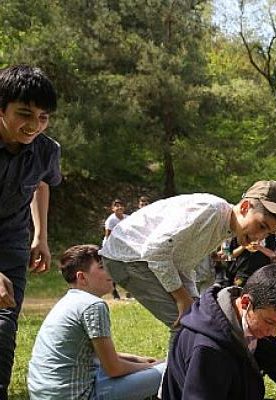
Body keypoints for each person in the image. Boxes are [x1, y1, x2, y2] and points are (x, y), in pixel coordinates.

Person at [99, 180, 276, 344]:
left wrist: (193, 300)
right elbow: (154, 251)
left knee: (195, 318)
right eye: (261, 225)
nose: (260, 237)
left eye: (268, 233)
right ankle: (176, 388)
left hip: (142, 257)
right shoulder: (210, 211)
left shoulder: (224, 227)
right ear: (245, 207)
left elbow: (182, 263)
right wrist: (182, 298)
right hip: (127, 256)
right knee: (188, 326)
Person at [161, 264, 276, 400]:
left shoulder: (253, 323)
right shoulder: (208, 348)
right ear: (245, 302)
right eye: (270, 322)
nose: (273, 333)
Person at [27, 245, 164, 400]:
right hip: (78, 396)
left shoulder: (69, 301)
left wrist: (138, 359)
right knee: (169, 371)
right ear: (82, 277)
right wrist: (150, 367)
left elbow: (94, 355)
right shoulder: (92, 305)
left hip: (43, 395)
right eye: (101, 267)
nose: (109, 271)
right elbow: (114, 368)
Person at [0, 64, 60, 399]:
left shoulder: (47, 150)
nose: (34, 125)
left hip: (12, 242)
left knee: (3, 325)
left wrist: (41, 236)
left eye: (43, 117)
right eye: (25, 113)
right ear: (1, 108)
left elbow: (40, 182)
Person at [103, 199, 128, 299]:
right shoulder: (111, 220)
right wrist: (109, 250)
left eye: (121, 205)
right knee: (114, 269)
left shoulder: (127, 218)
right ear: (113, 209)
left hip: (123, 246)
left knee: (126, 268)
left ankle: (129, 291)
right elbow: (108, 236)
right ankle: (114, 292)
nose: (119, 208)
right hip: (111, 247)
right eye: (116, 206)